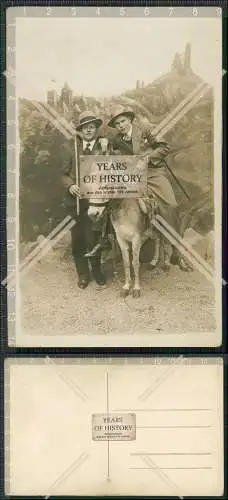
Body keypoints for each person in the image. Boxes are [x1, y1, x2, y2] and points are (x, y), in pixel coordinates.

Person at [108, 105, 190, 269]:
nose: (121, 126)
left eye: (123, 121)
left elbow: (164, 147)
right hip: (132, 176)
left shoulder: (146, 129)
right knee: (110, 199)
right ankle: (109, 243)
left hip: (153, 173)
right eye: (117, 124)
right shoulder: (116, 140)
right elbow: (112, 155)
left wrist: (146, 159)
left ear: (130, 119)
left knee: (171, 205)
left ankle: (176, 251)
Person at [61, 110, 109, 289]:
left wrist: (105, 150)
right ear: (80, 130)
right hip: (77, 201)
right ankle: (83, 274)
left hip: (96, 200)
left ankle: (97, 271)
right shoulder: (70, 146)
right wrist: (70, 186)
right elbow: (63, 174)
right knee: (79, 238)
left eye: (92, 127)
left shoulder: (104, 145)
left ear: (96, 129)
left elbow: (115, 165)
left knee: (94, 238)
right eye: (85, 128)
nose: (89, 130)